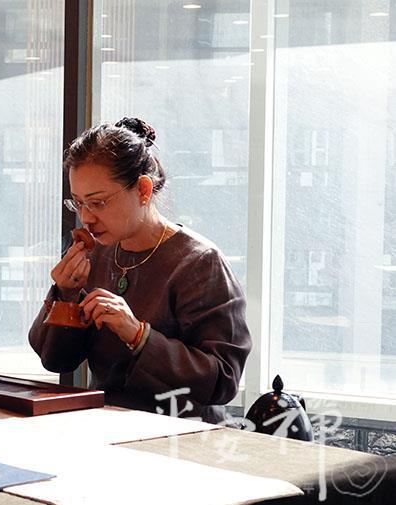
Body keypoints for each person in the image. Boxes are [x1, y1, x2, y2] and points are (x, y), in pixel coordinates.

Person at [28, 118, 251, 424]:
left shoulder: (199, 263)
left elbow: (223, 380)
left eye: (98, 202)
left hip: (184, 435)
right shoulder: (96, 252)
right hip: (106, 427)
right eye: (78, 203)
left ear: (143, 190)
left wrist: (137, 333)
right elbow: (55, 360)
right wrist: (65, 295)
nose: (86, 218)